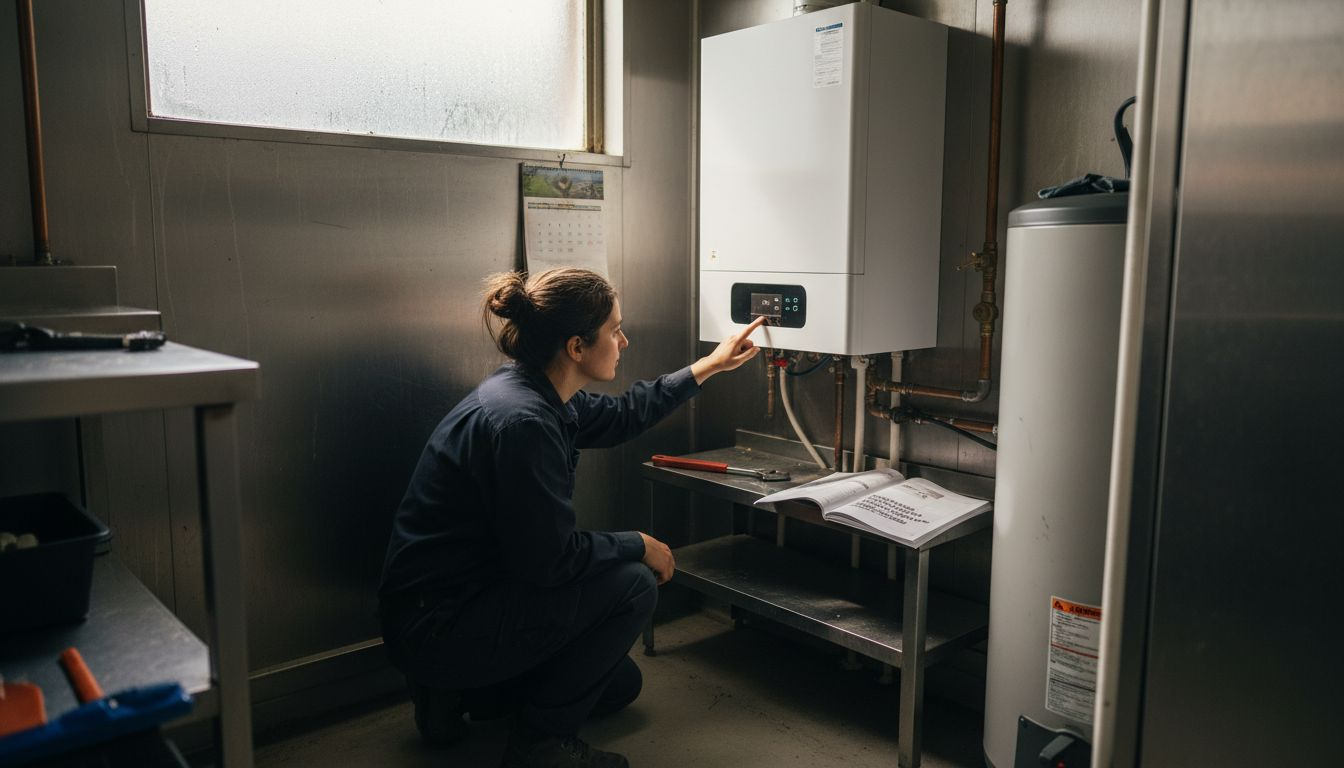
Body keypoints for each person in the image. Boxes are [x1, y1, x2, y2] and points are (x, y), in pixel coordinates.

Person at [378, 267, 765, 768]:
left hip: (444, 609)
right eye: (615, 330)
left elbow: (625, 414)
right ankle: (538, 747)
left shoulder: (533, 390)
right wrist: (638, 543)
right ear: (577, 347)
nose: (624, 341)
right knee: (633, 585)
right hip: (440, 627)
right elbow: (551, 562)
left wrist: (709, 366)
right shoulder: (524, 424)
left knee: (618, 684)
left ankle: (458, 697)